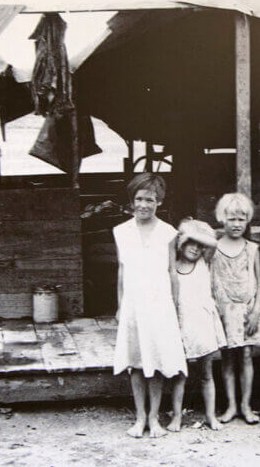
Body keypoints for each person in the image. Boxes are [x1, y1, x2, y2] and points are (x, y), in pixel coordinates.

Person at [112, 173, 187, 438]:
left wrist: (176, 308)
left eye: (150, 200)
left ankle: (154, 418)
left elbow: (172, 271)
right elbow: (122, 271)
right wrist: (121, 306)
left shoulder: (168, 232)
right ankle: (139, 417)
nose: (144, 204)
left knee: (155, 360)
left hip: (159, 304)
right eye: (139, 199)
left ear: (159, 202)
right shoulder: (121, 231)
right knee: (135, 361)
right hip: (133, 304)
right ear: (132, 201)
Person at [169, 219, 228, 432]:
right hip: (182, 322)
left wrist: (191, 233)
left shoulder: (204, 261)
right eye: (190, 242)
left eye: (198, 243)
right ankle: (176, 416)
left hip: (202, 322)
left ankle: (211, 416)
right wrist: (183, 236)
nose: (195, 247)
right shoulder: (172, 266)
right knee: (179, 375)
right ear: (180, 243)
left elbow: (213, 243)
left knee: (206, 373)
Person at [210, 193, 260, 424]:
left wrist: (257, 311)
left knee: (246, 355)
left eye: (241, 219)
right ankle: (231, 405)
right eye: (231, 219)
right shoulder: (213, 248)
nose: (236, 224)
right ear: (222, 219)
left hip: (248, 310)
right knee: (228, 359)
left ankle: (246, 405)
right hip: (224, 311)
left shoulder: (252, 249)